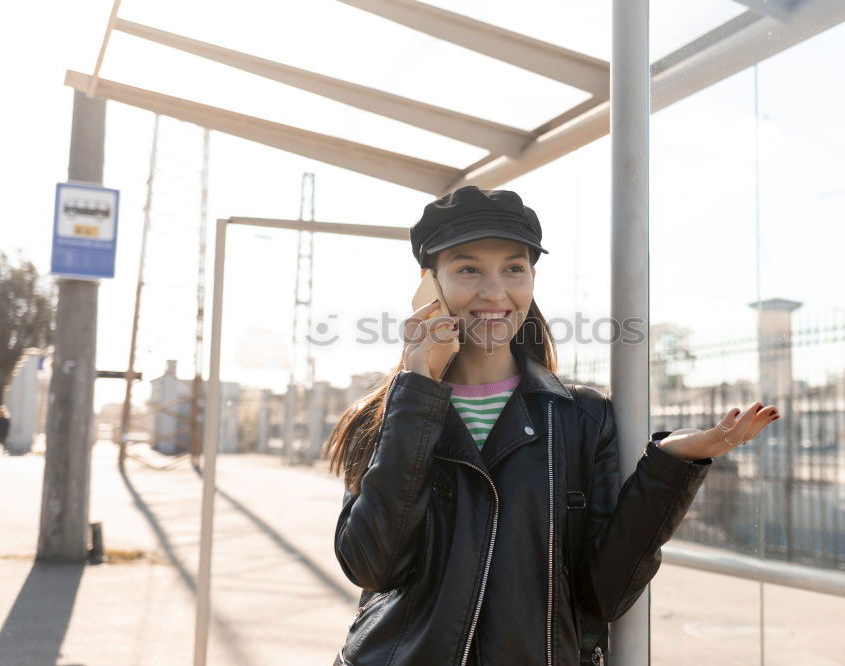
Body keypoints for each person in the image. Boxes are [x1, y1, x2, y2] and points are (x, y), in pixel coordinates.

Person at [323, 186, 780, 666]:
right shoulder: (392, 413)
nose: (495, 291)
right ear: (429, 283)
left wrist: (672, 463)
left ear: (532, 278)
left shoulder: (582, 417)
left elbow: (603, 594)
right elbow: (372, 564)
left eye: (514, 269)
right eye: (468, 268)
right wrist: (417, 389)